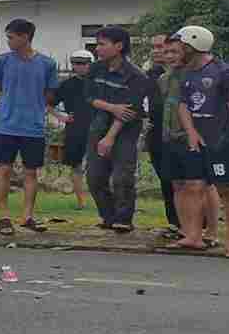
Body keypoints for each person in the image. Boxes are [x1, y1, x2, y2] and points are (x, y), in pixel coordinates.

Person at [0, 19, 58, 236]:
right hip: (6, 125)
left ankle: (27, 215)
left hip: (33, 126)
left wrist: (35, 108)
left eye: (11, 37)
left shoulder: (47, 64)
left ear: (25, 37)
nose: (8, 41)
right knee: (4, 169)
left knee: (31, 172)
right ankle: (3, 216)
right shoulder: (2, 61)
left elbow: (49, 93)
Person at [167, 25, 228, 254]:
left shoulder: (222, 72)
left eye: (181, 47)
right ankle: (191, 235)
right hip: (191, 137)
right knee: (186, 184)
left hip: (217, 138)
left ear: (193, 47)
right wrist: (191, 131)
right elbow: (183, 105)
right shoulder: (187, 73)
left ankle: (212, 235)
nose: (176, 51)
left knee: (209, 187)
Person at [82, 27, 145, 233]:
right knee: (94, 177)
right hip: (98, 127)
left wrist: (110, 138)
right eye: (97, 44)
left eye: (102, 44)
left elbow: (127, 112)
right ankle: (107, 216)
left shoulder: (135, 76)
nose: (97, 48)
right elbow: (89, 98)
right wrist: (111, 107)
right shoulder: (96, 69)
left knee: (122, 178)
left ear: (118, 46)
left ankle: (123, 219)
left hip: (124, 131)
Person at [147, 32, 184, 241]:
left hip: (182, 134)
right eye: (155, 47)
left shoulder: (185, 75)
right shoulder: (153, 75)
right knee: (166, 180)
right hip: (158, 133)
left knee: (192, 183)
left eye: (162, 47)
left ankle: (197, 225)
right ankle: (174, 223)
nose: (157, 51)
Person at [52, 49, 95, 214]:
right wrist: (61, 117)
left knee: (101, 167)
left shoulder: (99, 83)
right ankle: (81, 202)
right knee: (76, 167)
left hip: (97, 128)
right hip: (75, 130)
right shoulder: (67, 84)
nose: (78, 67)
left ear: (90, 64)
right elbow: (49, 104)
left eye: (82, 63)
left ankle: (104, 200)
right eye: (75, 63)